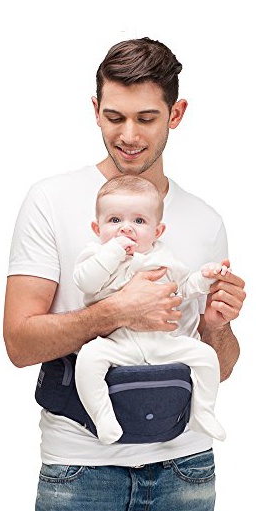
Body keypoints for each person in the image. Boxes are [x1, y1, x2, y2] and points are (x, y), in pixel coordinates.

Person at [4, 36, 246, 511]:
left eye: (146, 118)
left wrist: (217, 326)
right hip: (81, 467)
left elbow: (220, 365)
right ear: (95, 111)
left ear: (176, 114)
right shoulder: (50, 200)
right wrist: (116, 310)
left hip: (186, 466)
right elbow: (19, 344)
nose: (129, 135)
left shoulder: (206, 221)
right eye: (114, 117)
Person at [74, 174, 228, 444]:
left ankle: (203, 412)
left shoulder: (163, 258)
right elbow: (86, 282)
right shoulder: (95, 255)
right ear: (97, 228)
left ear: (157, 231)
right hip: (117, 343)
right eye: (114, 220)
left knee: (204, 356)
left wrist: (206, 278)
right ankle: (102, 417)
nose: (126, 229)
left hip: (162, 342)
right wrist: (114, 251)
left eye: (139, 221)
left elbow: (184, 288)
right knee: (88, 359)